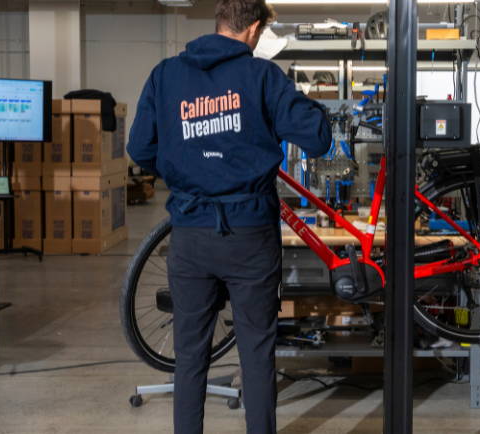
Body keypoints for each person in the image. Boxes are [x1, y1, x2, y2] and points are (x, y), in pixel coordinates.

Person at [126, 0, 331, 432]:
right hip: (250, 234)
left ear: (219, 22)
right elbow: (316, 139)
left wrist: (188, 176)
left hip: (190, 234)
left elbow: (140, 149)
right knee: (257, 354)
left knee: (190, 357)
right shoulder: (262, 77)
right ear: (253, 29)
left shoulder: (165, 75)